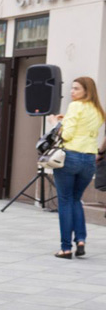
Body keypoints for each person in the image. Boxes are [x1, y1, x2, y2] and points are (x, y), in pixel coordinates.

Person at [52, 76, 105, 258]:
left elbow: (67, 135)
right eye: (72, 88)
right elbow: (84, 129)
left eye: (76, 89)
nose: (72, 92)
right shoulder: (98, 111)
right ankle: (80, 240)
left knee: (65, 200)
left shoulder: (75, 106)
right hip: (89, 160)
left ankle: (66, 248)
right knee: (76, 199)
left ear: (86, 91)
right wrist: (66, 119)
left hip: (70, 157)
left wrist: (57, 124)